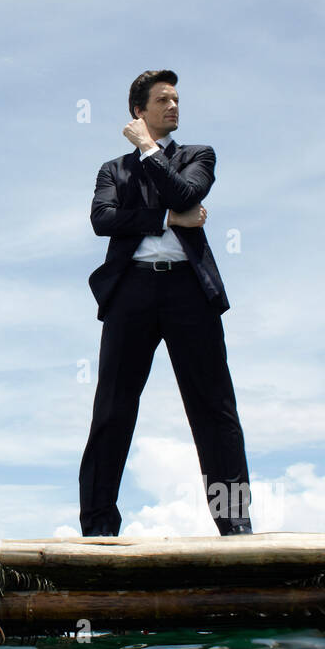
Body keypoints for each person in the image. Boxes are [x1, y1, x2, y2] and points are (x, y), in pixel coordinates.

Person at [79, 69, 253, 537]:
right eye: (163, 100)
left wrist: (151, 152)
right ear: (139, 110)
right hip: (130, 291)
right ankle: (97, 531)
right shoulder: (112, 169)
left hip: (189, 293)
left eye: (176, 99)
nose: (174, 106)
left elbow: (188, 193)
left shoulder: (199, 154)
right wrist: (167, 219)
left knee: (214, 409)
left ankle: (236, 528)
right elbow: (102, 219)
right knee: (113, 409)